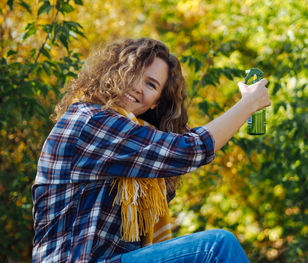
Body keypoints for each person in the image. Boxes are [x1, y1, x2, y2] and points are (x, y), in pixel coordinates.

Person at [32, 37, 271, 263]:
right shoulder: (89, 120)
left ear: (156, 101)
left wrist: (176, 130)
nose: (137, 86)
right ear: (113, 71)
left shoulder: (134, 139)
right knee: (218, 246)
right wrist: (247, 104)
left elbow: (170, 152)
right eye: (134, 72)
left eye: (151, 84)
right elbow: (188, 150)